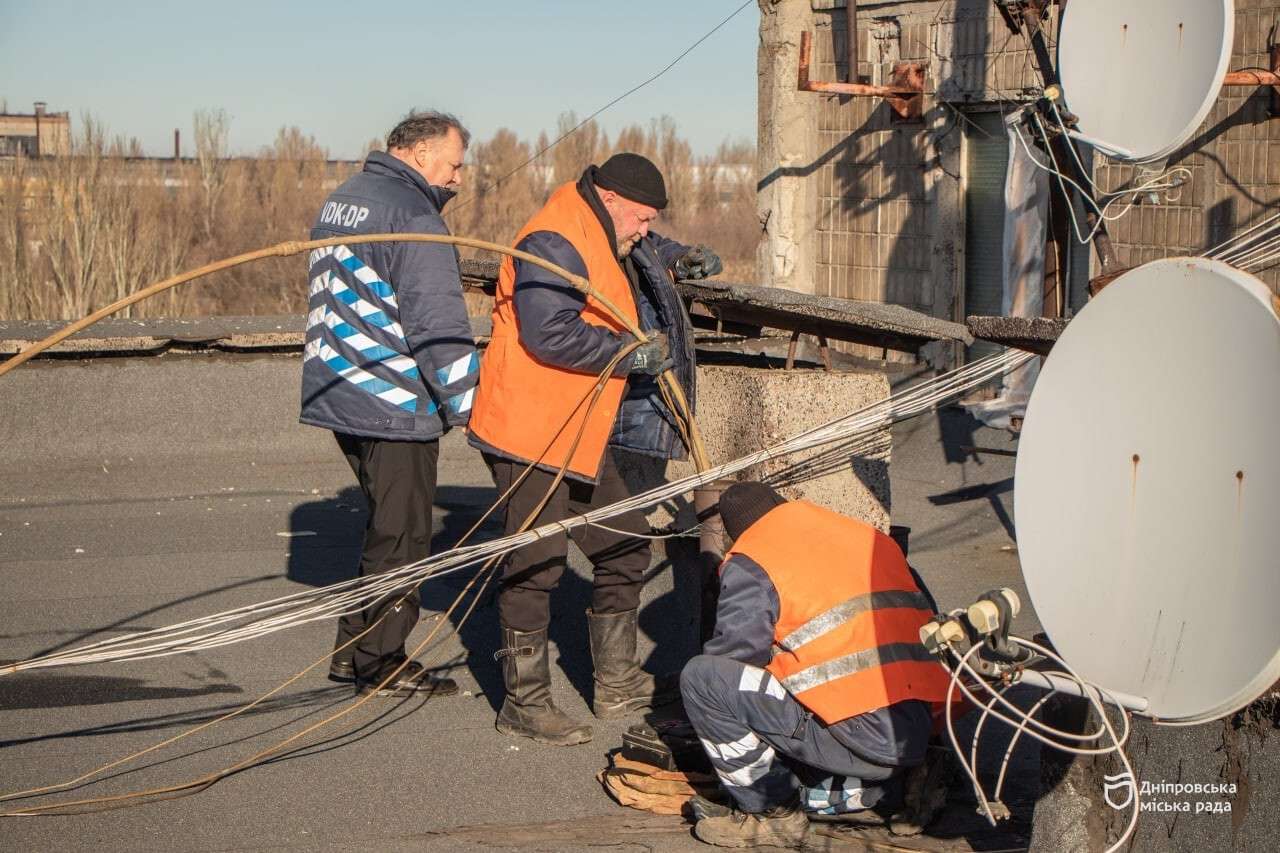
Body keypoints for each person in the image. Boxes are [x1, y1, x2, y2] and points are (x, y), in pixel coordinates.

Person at [467, 152, 722, 746]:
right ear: (610, 200)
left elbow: (638, 251)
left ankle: (617, 682)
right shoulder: (554, 239)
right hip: (532, 430)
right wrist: (625, 353)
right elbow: (547, 329)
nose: (645, 230)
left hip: (583, 426)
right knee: (537, 561)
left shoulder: (607, 228)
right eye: (642, 218)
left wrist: (679, 257)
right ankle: (525, 702)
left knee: (624, 542)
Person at [300, 110, 478, 697]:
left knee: (384, 529)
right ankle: (380, 663)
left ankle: (353, 651)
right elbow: (438, 328)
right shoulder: (413, 215)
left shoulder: (346, 197)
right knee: (403, 540)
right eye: (454, 164)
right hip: (391, 400)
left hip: (340, 390)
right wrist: (468, 406)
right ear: (422, 152)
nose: (457, 178)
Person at [681, 482, 950, 848]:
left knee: (704, 680)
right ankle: (909, 780)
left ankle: (770, 813)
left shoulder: (753, 559)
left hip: (859, 740)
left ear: (737, 535)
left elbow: (735, 658)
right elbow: (928, 629)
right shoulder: (869, 538)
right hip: (918, 726)